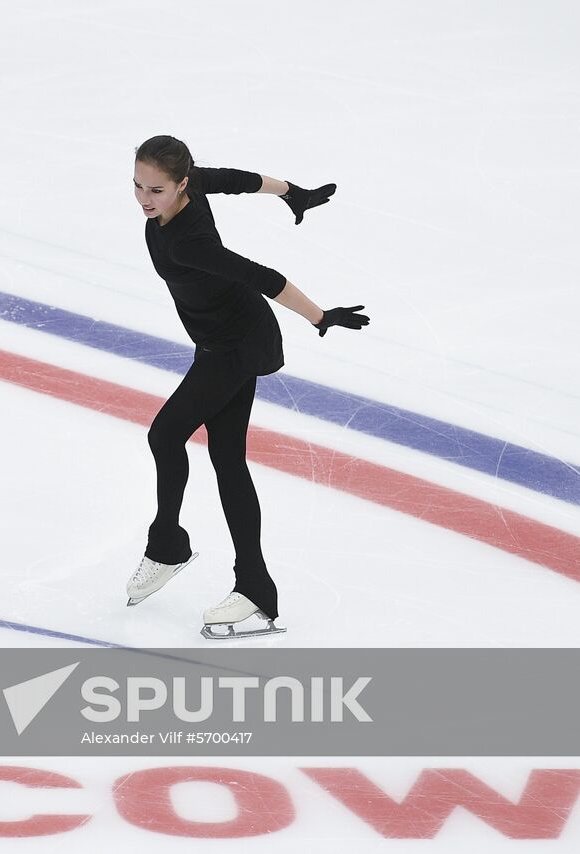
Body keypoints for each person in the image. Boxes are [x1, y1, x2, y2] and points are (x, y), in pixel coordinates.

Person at [122, 135, 368, 639]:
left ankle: (168, 546)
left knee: (165, 436)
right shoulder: (192, 188)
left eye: (157, 189)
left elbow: (265, 277)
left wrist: (321, 316)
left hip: (234, 346)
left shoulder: (189, 241)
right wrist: (289, 192)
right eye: (138, 186)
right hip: (223, 339)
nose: (146, 199)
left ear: (181, 184)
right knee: (226, 458)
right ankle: (254, 588)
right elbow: (237, 180)